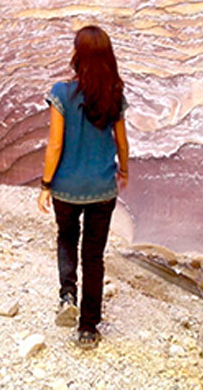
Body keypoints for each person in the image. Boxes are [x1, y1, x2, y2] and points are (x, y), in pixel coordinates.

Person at [37, 25, 129, 350]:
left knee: (66, 238)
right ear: (107, 57)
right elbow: (121, 141)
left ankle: (67, 295)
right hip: (102, 188)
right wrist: (125, 171)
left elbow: (55, 145)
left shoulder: (61, 93)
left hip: (66, 187)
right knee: (94, 255)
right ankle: (88, 328)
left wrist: (46, 184)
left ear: (78, 55)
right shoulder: (114, 94)